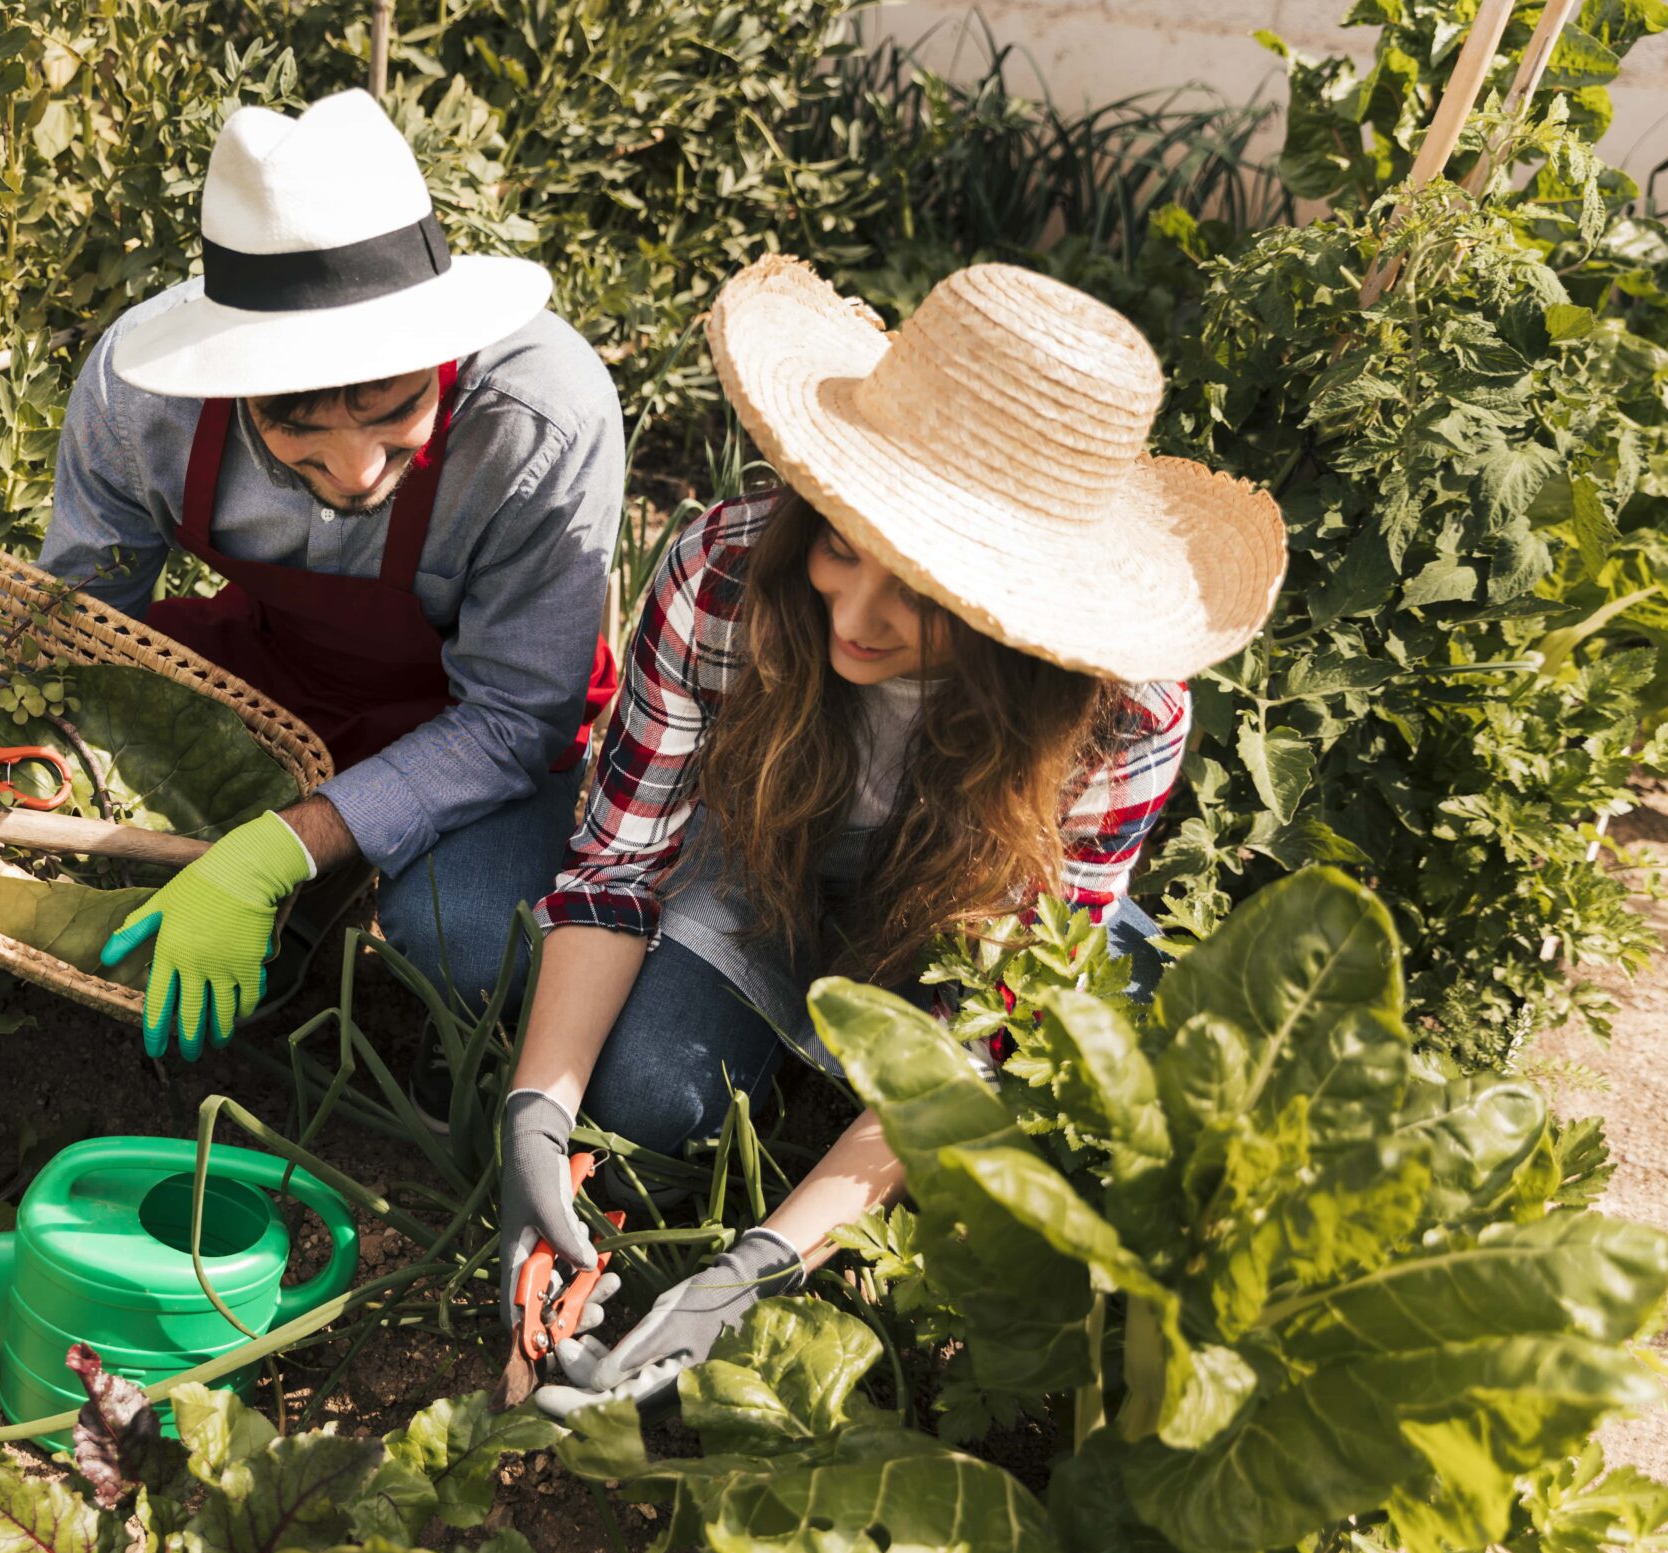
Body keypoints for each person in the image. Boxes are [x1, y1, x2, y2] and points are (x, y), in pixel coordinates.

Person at [503, 255, 1285, 1414]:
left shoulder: (1123, 716)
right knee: (646, 1097)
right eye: (837, 546)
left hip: (963, 929)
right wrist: (533, 1118)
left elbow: (983, 1025)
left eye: (919, 596)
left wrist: (757, 1269)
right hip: (767, 871)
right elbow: (622, 861)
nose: (852, 620)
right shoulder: (726, 574)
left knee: (1064, 1138)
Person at [0, 90, 622, 1063]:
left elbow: (514, 716)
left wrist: (276, 850)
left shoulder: (542, 418)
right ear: (233, 376)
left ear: (441, 351)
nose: (356, 471)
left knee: (466, 951)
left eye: (393, 413)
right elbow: (79, 633)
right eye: (296, 430)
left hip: (475, 724)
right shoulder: (141, 403)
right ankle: (299, 886)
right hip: (268, 673)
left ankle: (317, 877)